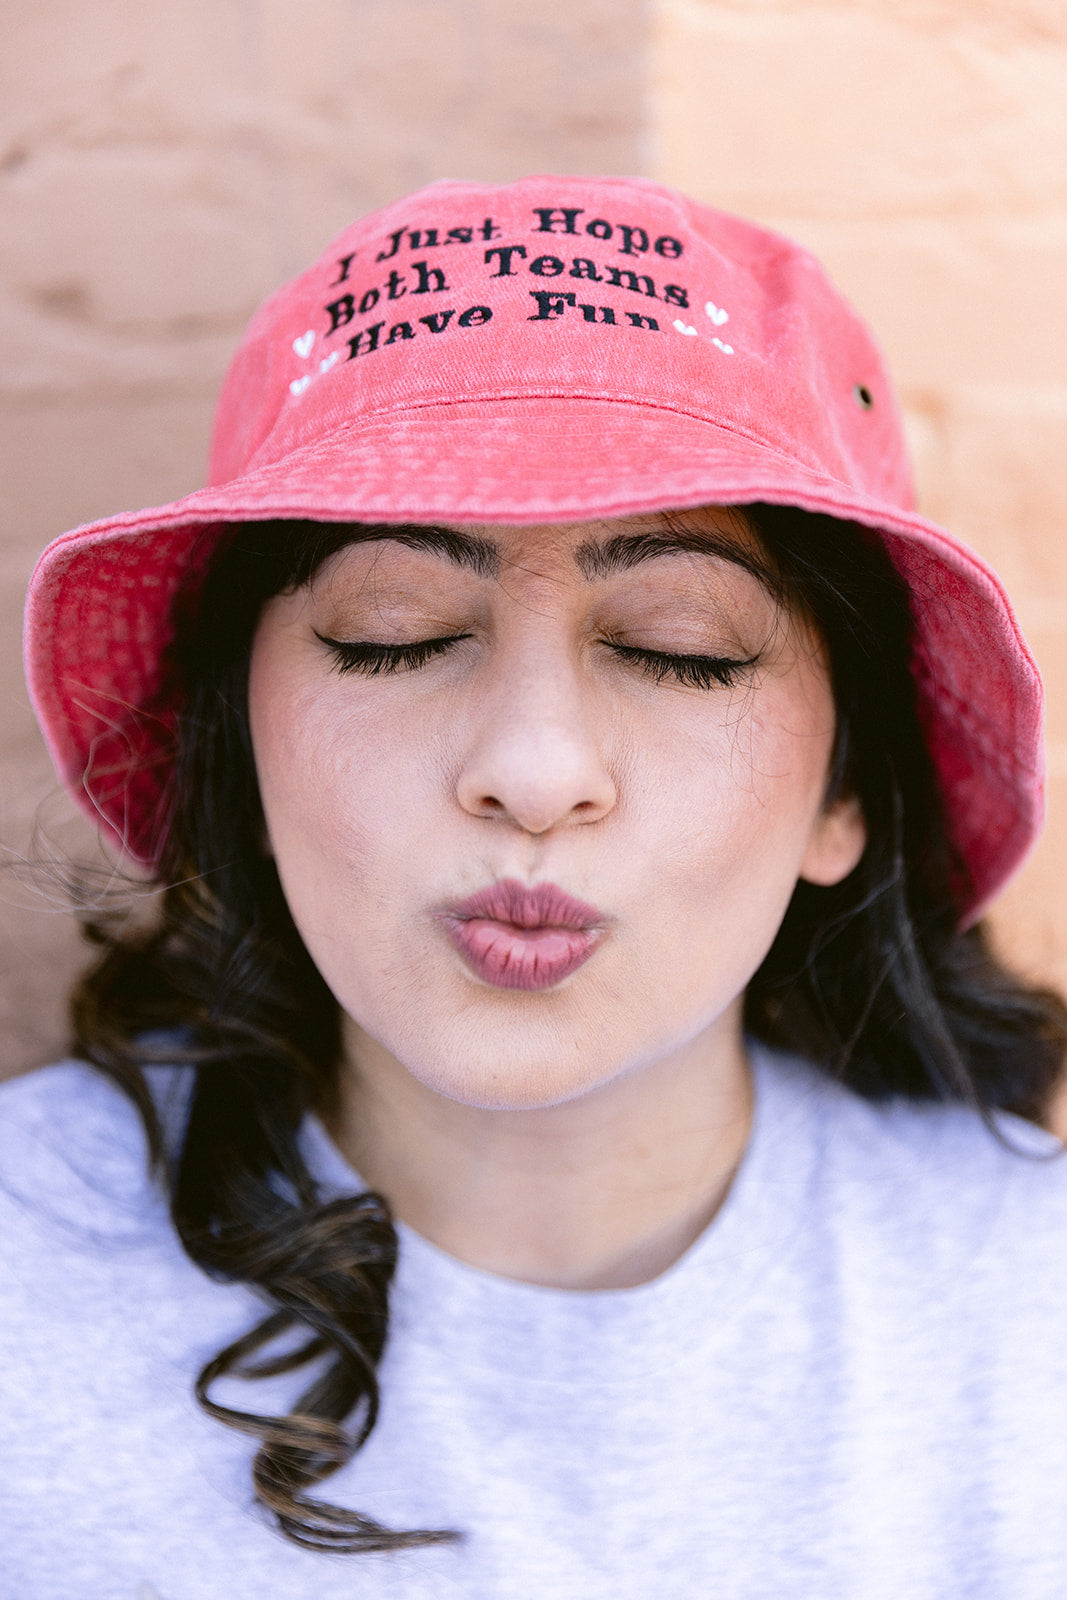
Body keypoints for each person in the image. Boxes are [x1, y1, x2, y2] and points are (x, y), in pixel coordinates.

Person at [6, 173, 1067, 1600]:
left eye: (682, 646)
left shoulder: (1032, 1319)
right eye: (392, 630)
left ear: (845, 793)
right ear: (240, 743)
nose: (534, 768)